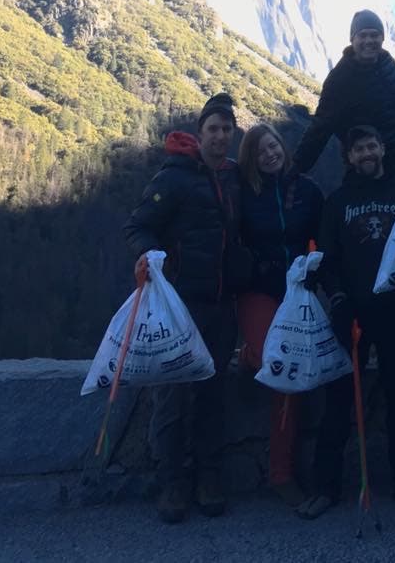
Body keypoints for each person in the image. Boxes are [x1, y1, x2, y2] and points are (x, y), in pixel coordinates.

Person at [124, 93, 247, 523]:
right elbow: (138, 226)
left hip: (221, 305)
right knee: (172, 396)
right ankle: (174, 482)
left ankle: (209, 478)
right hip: (179, 306)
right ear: (200, 134)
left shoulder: (233, 177)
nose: (220, 136)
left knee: (213, 394)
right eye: (213, 128)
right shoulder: (174, 177)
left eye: (227, 129)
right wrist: (150, 256)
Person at [300, 125, 395, 519]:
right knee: (338, 402)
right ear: (349, 157)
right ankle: (325, 487)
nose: (367, 153)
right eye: (358, 149)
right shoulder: (337, 202)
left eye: (372, 145)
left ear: (382, 149)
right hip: (350, 313)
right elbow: (324, 257)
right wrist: (337, 298)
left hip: (394, 310)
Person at [236, 123, 323, 507]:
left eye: (273, 146)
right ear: (251, 160)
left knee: (292, 373)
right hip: (257, 290)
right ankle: (281, 474)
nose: (269, 154)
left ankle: (282, 471)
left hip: (298, 294)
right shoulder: (243, 193)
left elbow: (324, 239)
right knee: (283, 366)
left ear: (282, 147)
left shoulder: (307, 190)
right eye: (260, 151)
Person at [292, 9, 395, 181]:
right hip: (366, 167)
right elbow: (320, 128)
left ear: (382, 38)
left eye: (374, 35)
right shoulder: (340, 79)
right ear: (352, 39)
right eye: (363, 35)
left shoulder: (384, 60)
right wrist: (296, 169)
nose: (369, 41)